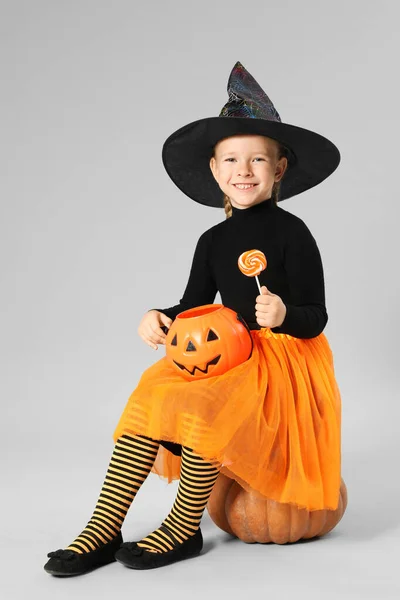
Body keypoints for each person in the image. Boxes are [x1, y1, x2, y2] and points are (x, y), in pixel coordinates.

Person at [44, 61, 342, 576]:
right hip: (225, 347)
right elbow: (195, 303)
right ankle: (103, 525)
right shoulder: (212, 240)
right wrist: (161, 315)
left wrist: (285, 313)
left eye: (257, 160)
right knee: (150, 396)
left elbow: (316, 317)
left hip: (281, 358)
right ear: (213, 170)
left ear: (279, 170)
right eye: (230, 159)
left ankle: (184, 526)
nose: (243, 170)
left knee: (205, 405)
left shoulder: (295, 234)